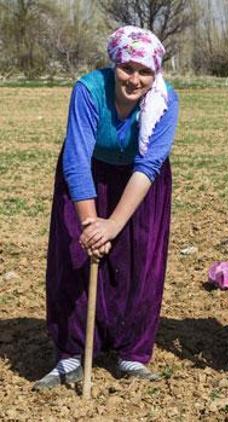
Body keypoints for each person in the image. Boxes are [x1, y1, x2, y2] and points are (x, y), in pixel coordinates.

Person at [34, 26, 179, 390]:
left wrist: (112, 225)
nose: (134, 79)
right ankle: (72, 353)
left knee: (139, 262)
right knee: (75, 256)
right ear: (114, 64)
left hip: (140, 182)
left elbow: (148, 166)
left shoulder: (166, 100)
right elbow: (76, 158)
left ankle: (132, 352)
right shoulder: (88, 90)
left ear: (155, 73)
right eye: (127, 68)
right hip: (88, 175)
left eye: (144, 71)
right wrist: (89, 223)